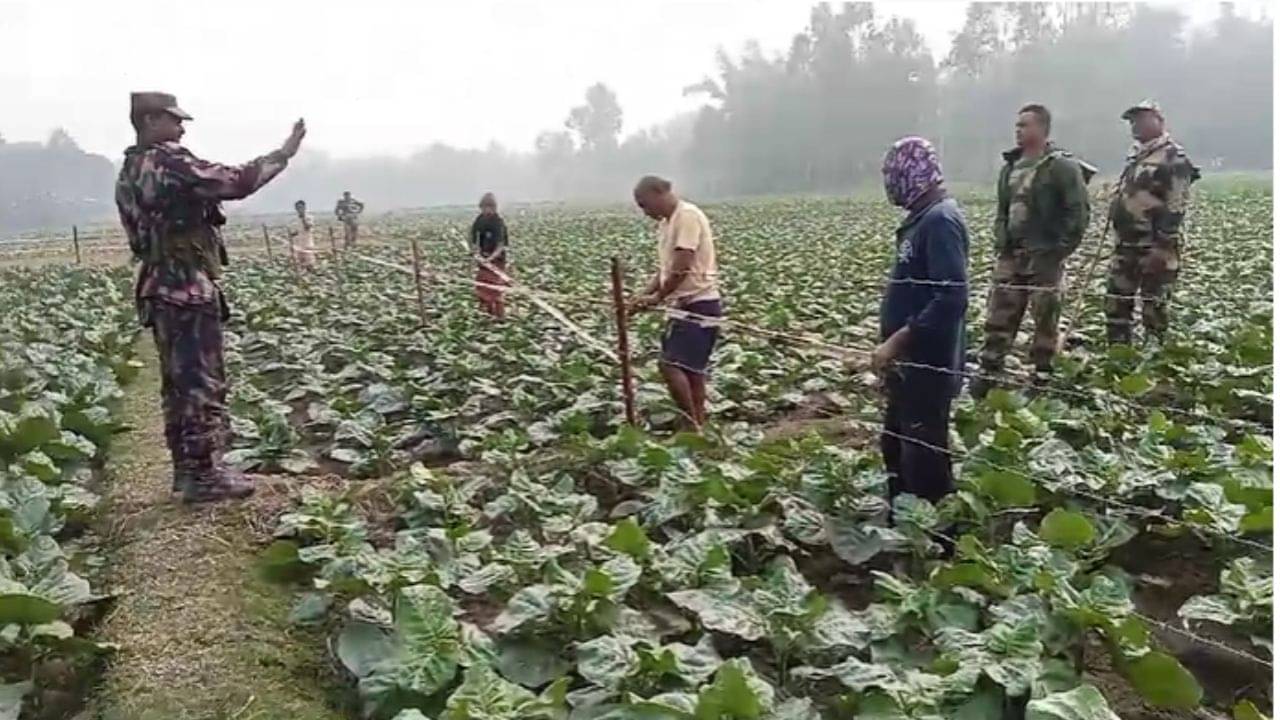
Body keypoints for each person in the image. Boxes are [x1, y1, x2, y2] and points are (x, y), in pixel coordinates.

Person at [115, 92, 305, 502]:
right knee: (201, 381)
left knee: (177, 384)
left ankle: (187, 470)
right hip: (185, 287)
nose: (181, 129)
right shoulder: (168, 161)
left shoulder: (130, 168)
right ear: (149, 121)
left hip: (157, 286)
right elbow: (235, 182)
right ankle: (204, 475)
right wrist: (283, 154)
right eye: (174, 120)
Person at [972, 104, 1092, 398]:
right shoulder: (1010, 167)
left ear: (1042, 129)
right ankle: (989, 370)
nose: (1018, 130)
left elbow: (1078, 212)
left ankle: (1041, 376)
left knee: (1045, 318)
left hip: (1045, 255)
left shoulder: (1061, 167)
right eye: (1017, 125)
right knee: (999, 313)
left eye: (1024, 125)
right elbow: (1002, 211)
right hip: (1011, 254)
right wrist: (1001, 240)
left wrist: (1059, 250)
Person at [874, 137, 969, 506]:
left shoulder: (940, 221)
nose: (889, 183)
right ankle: (902, 521)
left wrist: (899, 339)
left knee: (924, 458)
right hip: (909, 364)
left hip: (929, 363)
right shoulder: (922, 218)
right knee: (896, 446)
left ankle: (937, 531)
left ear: (913, 173)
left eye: (893, 174)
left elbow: (951, 297)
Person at [629, 175, 721, 431]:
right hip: (682, 305)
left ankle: (690, 422)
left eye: (645, 204)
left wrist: (657, 297)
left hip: (699, 303)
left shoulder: (687, 216)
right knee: (691, 369)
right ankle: (697, 422)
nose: (645, 212)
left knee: (671, 365)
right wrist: (642, 296)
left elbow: (682, 265)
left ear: (659, 193)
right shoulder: (666, 223)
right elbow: (665, 271)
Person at [1105, 100, 1200, 344]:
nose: (1135, 126)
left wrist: (1162, 245)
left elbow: (1176, 205)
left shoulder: (1173, 158)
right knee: (1116, 302)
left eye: (1141, 119)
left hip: (1155, 246)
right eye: (1132, 122)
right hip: (1126, 244)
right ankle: (1118, 352)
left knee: (1154, 305)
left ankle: (1155, 355)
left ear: (1159, 121)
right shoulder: (1136, 156)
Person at [470, 192, 510, 318]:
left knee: (495, 290)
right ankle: (487, 315)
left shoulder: (498, 222)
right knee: (482, 288)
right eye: (483, 208)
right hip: (483, 258)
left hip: (497, 261)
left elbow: (500, 245)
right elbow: (473, 238)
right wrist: (475, 252)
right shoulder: (480, 220)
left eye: (488, 208)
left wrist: (490, 259)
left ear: (493, 208)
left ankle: (499, 317)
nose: (486, 210)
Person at [289, 200, 317, 270]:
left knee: (310, 264)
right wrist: (292, 234)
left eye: (301, 207)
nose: (299, 209)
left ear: (304, 208)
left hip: (308, 244)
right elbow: (298, 231)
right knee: (300, 264)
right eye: (298, 208)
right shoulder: (296, 219)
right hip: (299, 245)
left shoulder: (309, 217)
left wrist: (303, 218)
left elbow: (307, 227)